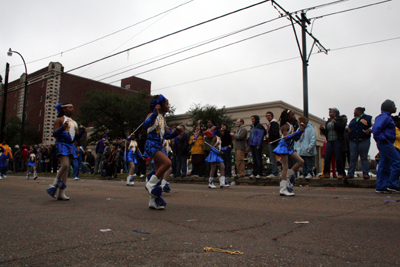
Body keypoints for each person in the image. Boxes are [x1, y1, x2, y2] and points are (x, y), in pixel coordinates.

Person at [143, 94, 182, 210]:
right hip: (151, 145)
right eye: (167, 104)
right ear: (159, 105)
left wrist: (176, 132)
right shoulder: (152, 115)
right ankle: (150, 184)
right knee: (168, 163)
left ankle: (153, 202)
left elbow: (166, 135)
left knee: (159, 175)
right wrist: (154, 112)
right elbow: (145, 126)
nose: (168, 106)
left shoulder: (163, 119)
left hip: (159, 146)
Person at [46, 103, 85, 200]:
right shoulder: (60, 120)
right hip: (62, 144)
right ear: (64, 109)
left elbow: (76, 138)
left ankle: (61, 193)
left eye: (73, 107)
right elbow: (55, 134)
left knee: (66, 170)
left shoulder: (74, 122)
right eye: (70, 107)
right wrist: (62, 128)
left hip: (71, 145)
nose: (72, 109)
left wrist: (82, 132)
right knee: (65, 165)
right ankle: (53, 185)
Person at [273, 110, 305, 196]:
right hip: (283, 146)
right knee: (285, 167)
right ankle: (283, 189)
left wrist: (300, 132)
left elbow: (295, 139)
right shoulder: (285, 126)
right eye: (292, 115)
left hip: (288, 147)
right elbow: (286, 137)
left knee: (301, 161)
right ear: (287, 117)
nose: (294, 116)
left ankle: (288, 177)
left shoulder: (291, 126)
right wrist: (297, 132)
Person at [372, 100, 400, 193]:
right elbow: (376, 129)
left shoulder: (386, 117)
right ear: (389, 108)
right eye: (393, 106)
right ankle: (391, 184)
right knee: (397, 161)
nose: (395, 108)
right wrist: (383, 138)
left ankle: (381, 186)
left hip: (385, 142)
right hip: (385, 143)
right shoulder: (384, 117)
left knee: (384, 165)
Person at [346, 107, 373, 179]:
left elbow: (375, 125)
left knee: (364, 157)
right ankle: (350, 174)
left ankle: (366, 174)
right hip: (353, 141)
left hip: (364, 140)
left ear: (359, 111)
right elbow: (348, 126)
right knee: (352, 158)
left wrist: (370, 130)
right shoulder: (353, 120)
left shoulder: (368, 118)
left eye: (355, 111)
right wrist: (348, 129)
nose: (353, 113)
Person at [319, 108, 346, 179]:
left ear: (336, 113)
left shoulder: (340, 120)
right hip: (330, 140)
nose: (330, 113)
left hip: (337, 140)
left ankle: (340, 173)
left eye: (331, 112)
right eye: (329, 112)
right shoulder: (328, 121)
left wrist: (336, 123)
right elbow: (327, 133)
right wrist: (322, 130)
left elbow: (342, 128)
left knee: (338, 157)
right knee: (327, 157)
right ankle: (326, 173)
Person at [266, 112, 280, 177]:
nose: (268, 117)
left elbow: (275, 133)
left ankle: (275, 172)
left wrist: (271, 139)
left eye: (269, 115)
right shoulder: (270, 124)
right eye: (267, 116)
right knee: (272, 158)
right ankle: (274, 171)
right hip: (271, 142)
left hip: (273, 142)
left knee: (273, 158)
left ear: (272, 116)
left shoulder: (274, 123)